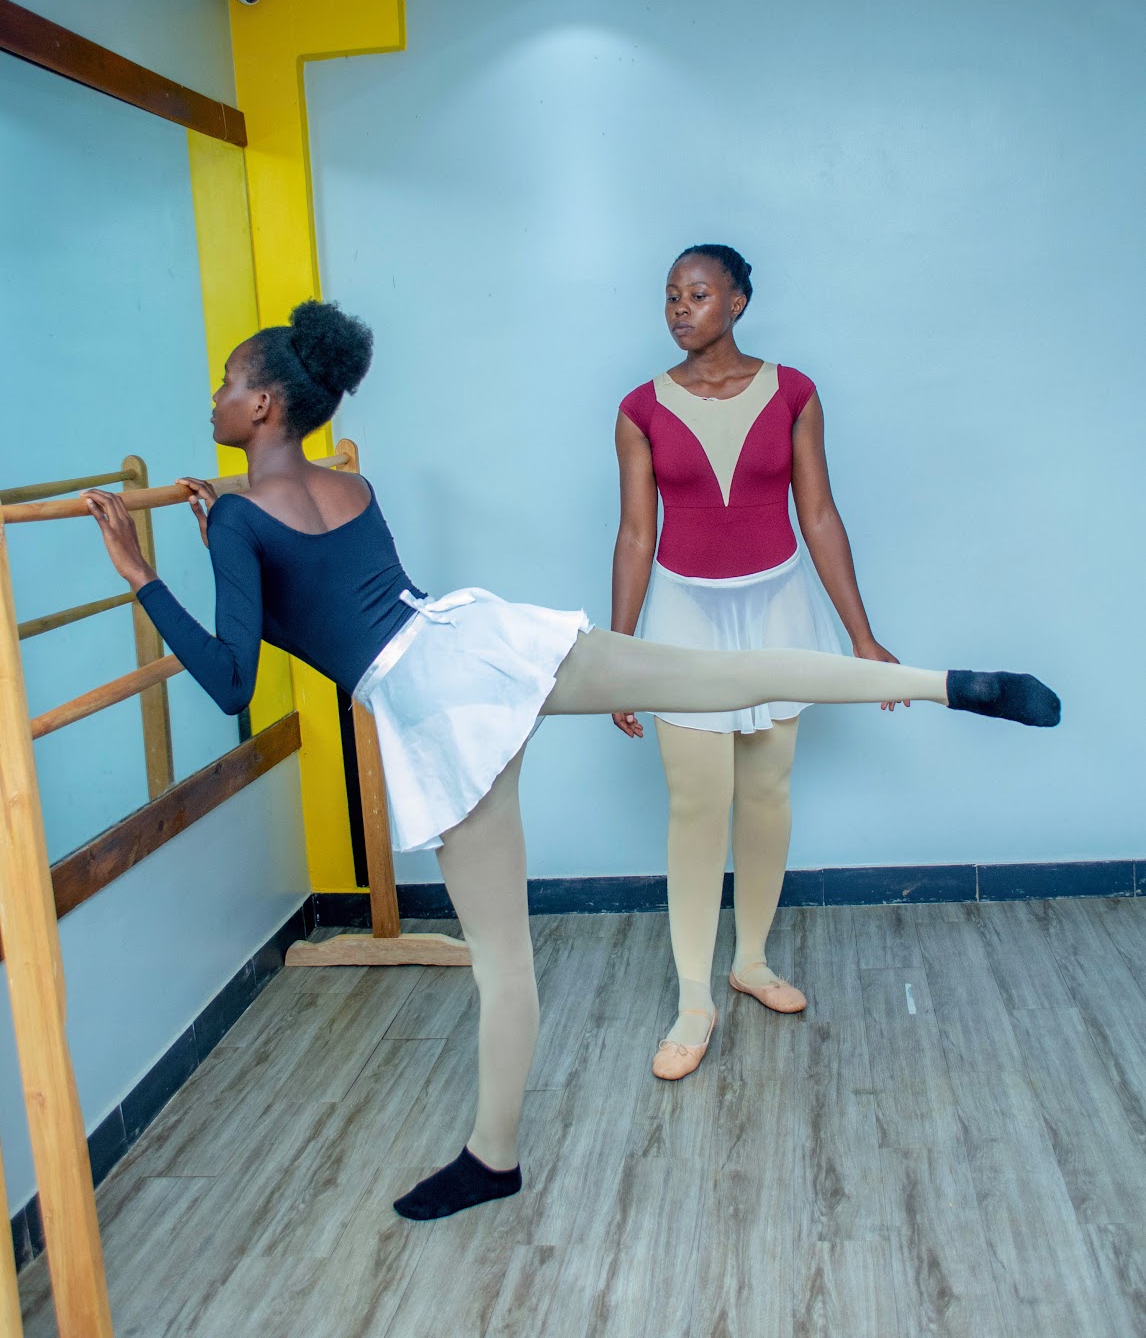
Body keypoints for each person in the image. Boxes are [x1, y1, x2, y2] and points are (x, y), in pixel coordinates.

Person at [87, 300, 1059, 1221]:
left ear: (261, 405)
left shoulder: (248, 522)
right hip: (475, 637)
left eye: (224, 382)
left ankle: (492, 1159)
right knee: (717, 675)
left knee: (505, 964)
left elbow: (230, 679)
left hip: (433, 704)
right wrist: (225, 533)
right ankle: (947, 683)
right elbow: (340, 588)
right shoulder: (347, 485)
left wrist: (143, 575)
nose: (212, 396)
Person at [613, 243, 909, 1080]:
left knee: (770, 785)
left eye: (698, 294)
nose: (679, 308)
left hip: (779, 603)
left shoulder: (796, 393)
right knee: (696, 803)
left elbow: (817, 513)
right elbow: (636, 534)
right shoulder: (639, 407)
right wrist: (623, 651)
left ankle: (752, 961)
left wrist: (861, 636)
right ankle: (693, 999)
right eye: (670, 295)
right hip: (682, 609)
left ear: (738, 301)